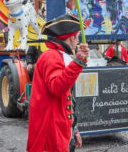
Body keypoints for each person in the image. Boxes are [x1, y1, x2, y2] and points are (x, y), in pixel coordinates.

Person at [27, 14, 89, 152]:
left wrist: (75, 129)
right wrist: (78, 61)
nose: (78, 40)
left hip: (60, 129)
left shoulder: (61, 56)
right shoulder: (51, 56)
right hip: (50, 133)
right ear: (71, 37)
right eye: (77, 36)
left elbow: (68, 98)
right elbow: (57, 87)